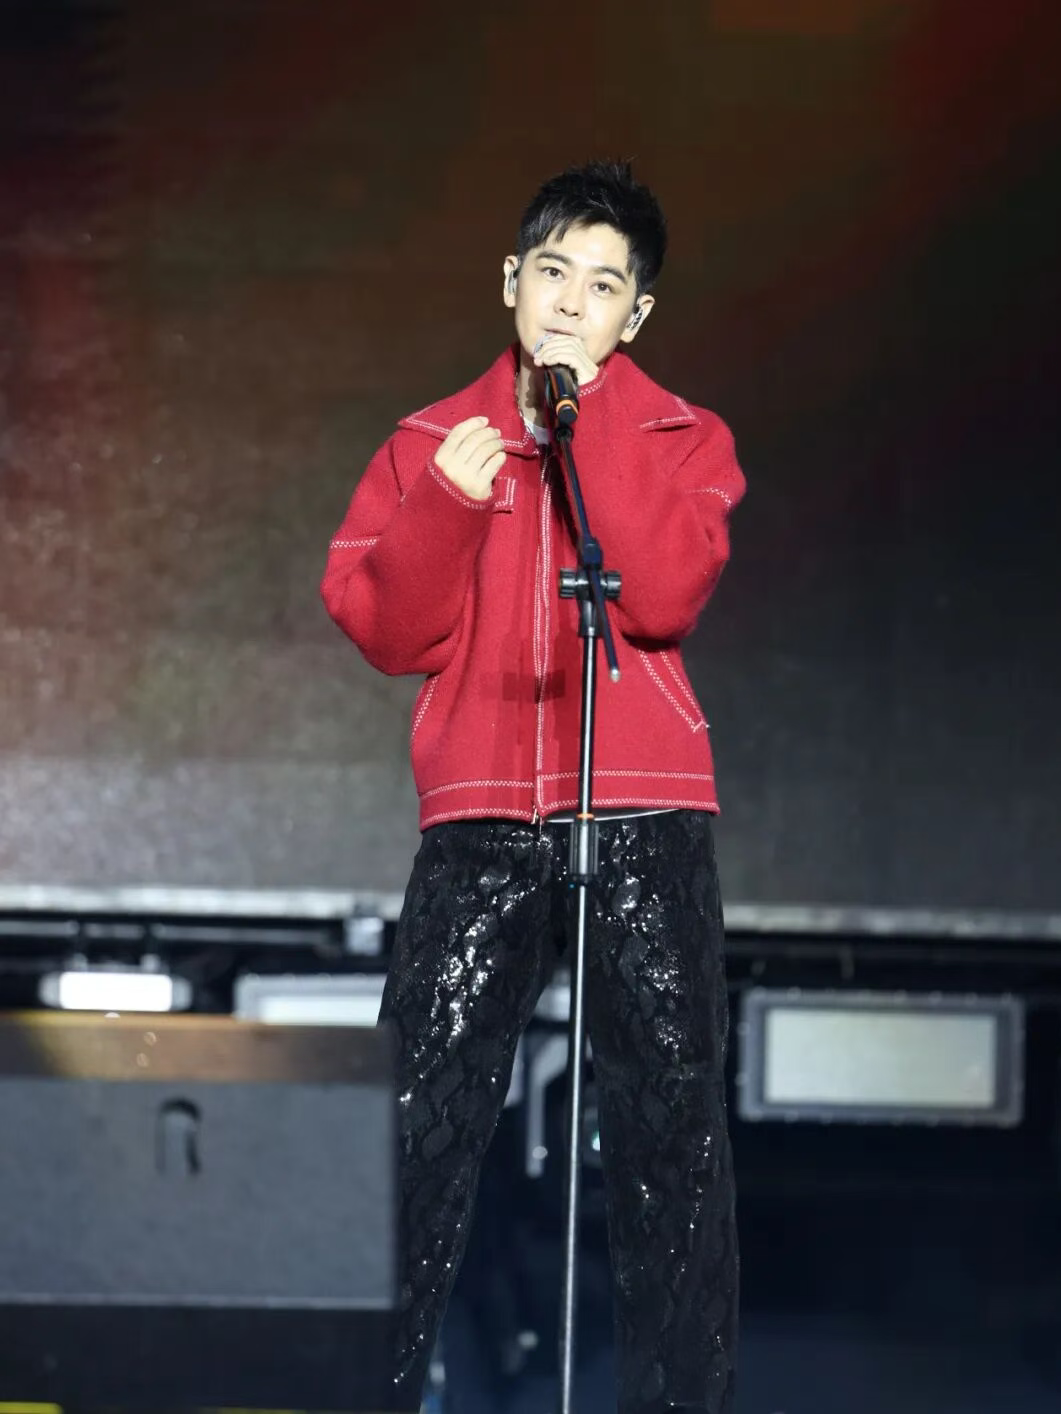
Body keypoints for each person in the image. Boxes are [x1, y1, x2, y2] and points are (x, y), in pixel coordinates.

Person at [321, 160, 746, 1414]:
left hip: (643, 807)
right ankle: (369, 1392)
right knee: (417, 1121)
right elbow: (389, 629)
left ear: (636, 315)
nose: (570, 301)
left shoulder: (681, 437)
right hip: (483, 815)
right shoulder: (429, 443)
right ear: (511, 279)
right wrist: (451, 502)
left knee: (671, 1131)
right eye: (553, 272)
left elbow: (661, 595)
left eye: (602, 286)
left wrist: (590, 417)